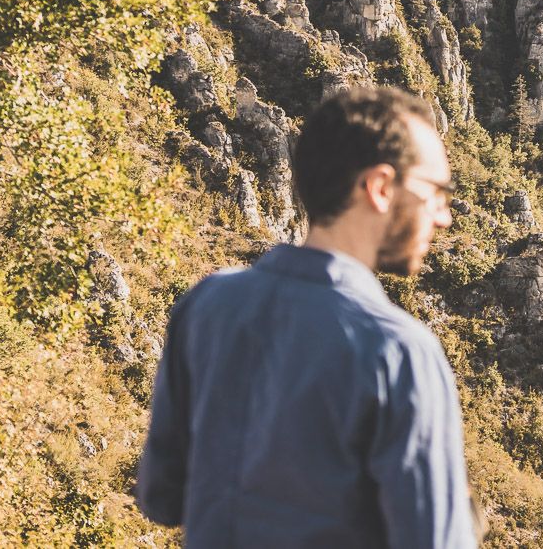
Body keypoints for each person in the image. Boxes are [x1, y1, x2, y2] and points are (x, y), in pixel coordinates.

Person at [136, 86, 477, 548]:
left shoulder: (205, 306)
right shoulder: (398, 352)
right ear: (379, 187)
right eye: (436, 192)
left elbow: (161, 497)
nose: (444, 217)